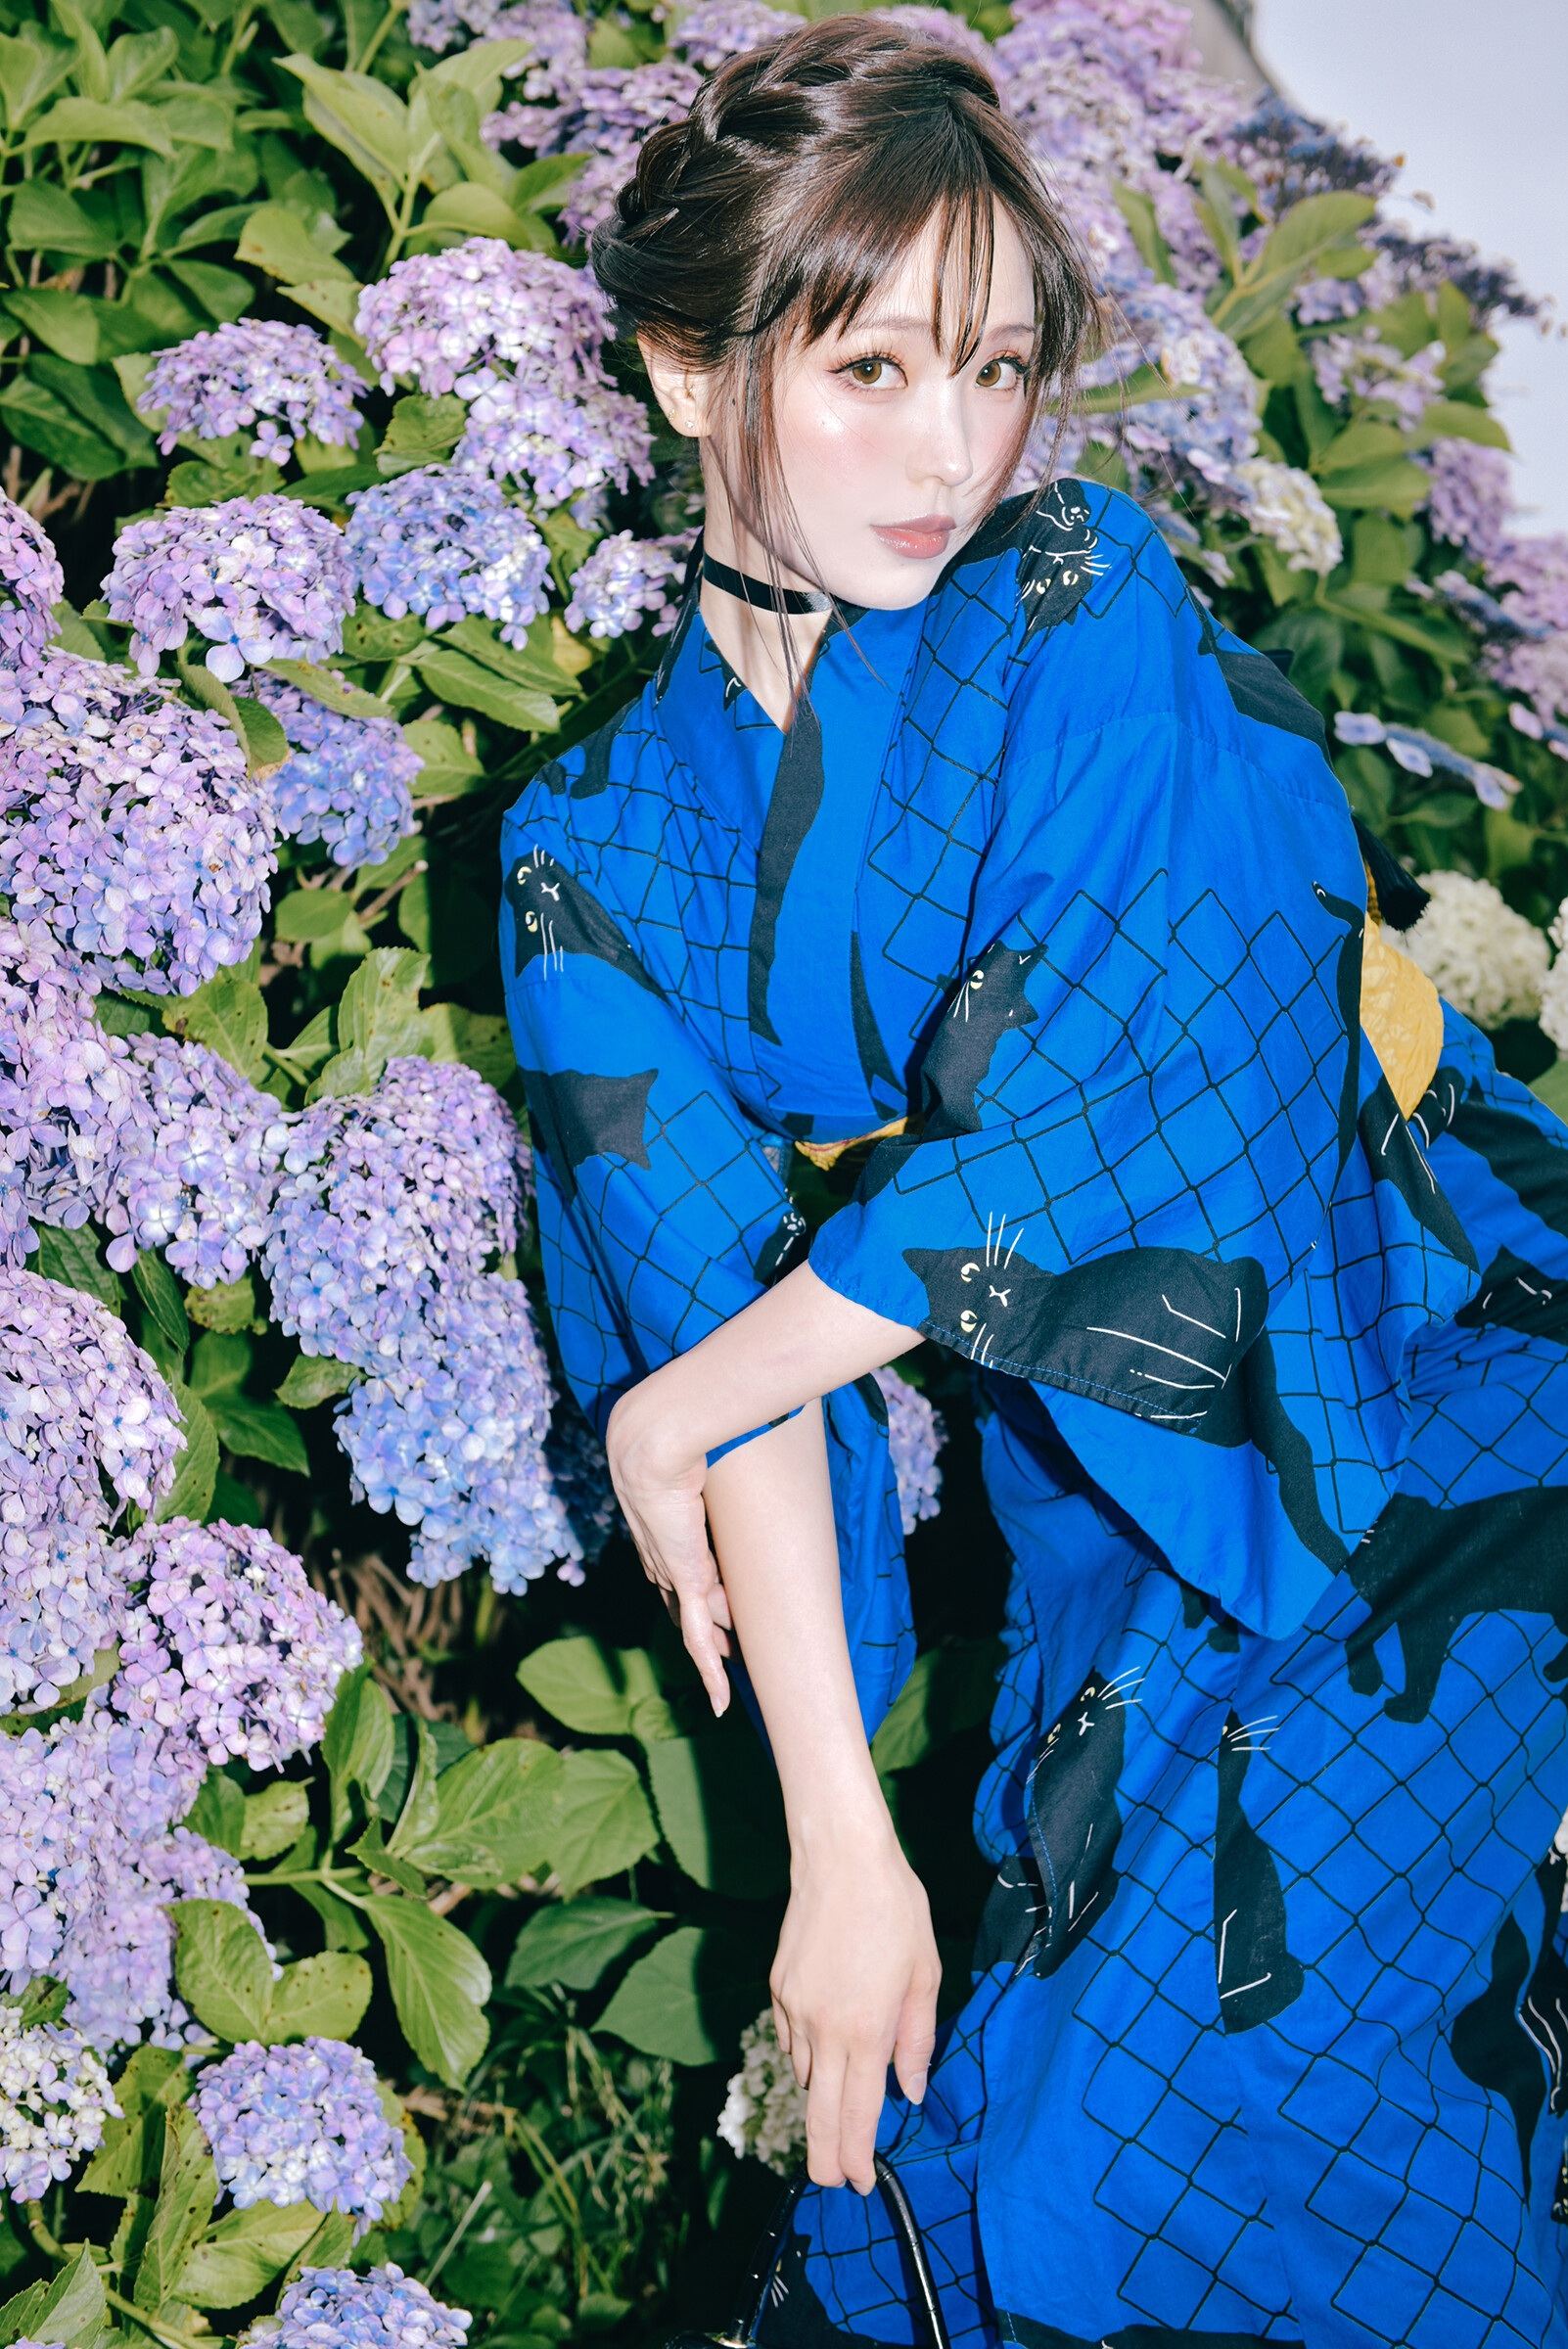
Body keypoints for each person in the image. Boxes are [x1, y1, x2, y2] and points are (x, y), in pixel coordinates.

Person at [495, 17, 1568, 2344]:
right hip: (1120, 1489)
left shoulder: (1083, 597)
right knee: (988, 2109)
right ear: (690, 369)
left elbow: (1105, 1101)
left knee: (1192, 2114)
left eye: (993, 370)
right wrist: (838, 1844)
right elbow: (723, 1336)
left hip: (1425, 1382)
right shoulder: (590, 844)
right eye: (870, 368)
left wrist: (694, 1400)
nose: (951, 450)